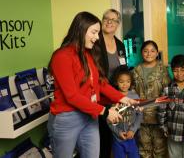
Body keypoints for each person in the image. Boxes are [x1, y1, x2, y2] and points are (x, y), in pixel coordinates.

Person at [47, 11, 136, 158]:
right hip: (68, 118)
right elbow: (72, 96)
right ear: (81, 30)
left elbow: (100, 83)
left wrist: (122, 98)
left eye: (98, 33)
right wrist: (105, 111)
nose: (96, 37)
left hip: (89, 116)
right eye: (94, 32)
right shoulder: (62, 56)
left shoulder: (88, 54)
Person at [132, 40, 171, 158]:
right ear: (141, 53)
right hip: (140, 116)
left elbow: (167, 92)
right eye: (146, 51)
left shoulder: (162, 70)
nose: (149, 54)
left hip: (158, 116)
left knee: (160, 150)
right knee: (144, 149)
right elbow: (132, 92)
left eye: (152, 51)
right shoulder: (135, 71)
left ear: (156, 53)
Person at [99, 9, 128, 158]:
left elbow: (124, 69)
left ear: (118, 24)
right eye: (106, 18)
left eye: (113, 20)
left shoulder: (120, 45)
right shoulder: (95, 42)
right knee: (102, 139)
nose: (109, 22)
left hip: (115, 97)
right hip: (99, 98)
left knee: (115, 138)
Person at [158, 54, 184, 158]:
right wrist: (163, 127)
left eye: (182, 70)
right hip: (172, 132)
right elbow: (162, 111)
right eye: (175, 70)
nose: (179, 73)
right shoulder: (167, 89)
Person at [108, 69, 142, 158]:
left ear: (131, 82)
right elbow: (109, 120)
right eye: (121, 82)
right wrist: (118, 132)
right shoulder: (113, 97)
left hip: (132, 137)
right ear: (116, 82)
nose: (125, 84)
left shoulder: (135, 97)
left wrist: (133, 130)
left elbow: (139, 115)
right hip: (117, 139)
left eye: (128, 81)